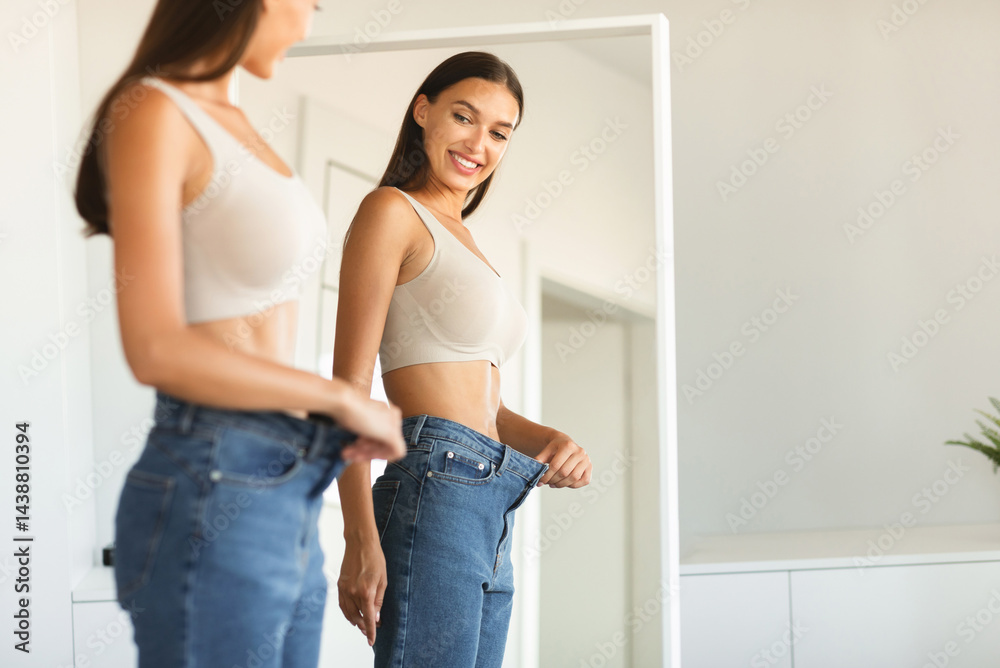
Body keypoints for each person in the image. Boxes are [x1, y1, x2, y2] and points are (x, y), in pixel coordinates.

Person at [72, 1, 407, 666]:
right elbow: (155, 348)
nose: (311, 23)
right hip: (214, 471)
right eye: (310, 3)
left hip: (291, 482)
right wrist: (338, 396)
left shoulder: (243, 128)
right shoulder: (155, 110)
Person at [332, 51, 594, 667]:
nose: (480, 142)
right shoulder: (391, 212)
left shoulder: (470, 243)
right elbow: (347, 387)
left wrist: (550, 439)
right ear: (423, 112)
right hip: (434, 482)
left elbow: (485, 406)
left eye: (500, 132)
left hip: (492, 493)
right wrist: (358, 537)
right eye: (464, 116)